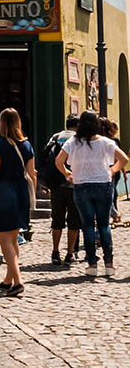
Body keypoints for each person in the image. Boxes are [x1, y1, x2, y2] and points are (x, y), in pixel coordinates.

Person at [55, 111, 129, 277]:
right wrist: (112, 171)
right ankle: (109, 263)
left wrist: (67, 173)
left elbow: (58, 161)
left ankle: (92, 264)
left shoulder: (72, 142)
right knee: (104, 225)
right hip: (103, 185)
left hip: (82, 186)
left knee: (88, 225)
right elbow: (123, 158)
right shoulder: (105, 142)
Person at [0, 108, 36, 297]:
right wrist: (32, 196)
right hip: (21, 192)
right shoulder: (27, 145)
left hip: (3, 192)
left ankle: (18, 281)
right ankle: (8, 280)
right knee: (13, 238)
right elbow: (32, 174)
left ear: (2, 124)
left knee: (4, 239)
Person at [44, 114, 80, 266]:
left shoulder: (56, 137)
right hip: (74, 184)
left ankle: (55, 251)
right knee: (74, 221)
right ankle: (70, 253)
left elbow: (47, 157)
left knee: (57, 219)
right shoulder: (78, 139)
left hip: (57, 185)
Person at [101, 118, 123, 223]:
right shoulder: (110, 142)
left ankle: (114, 213)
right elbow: (122, 159)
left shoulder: (113, 141)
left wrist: (114, 170)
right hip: (107, 173)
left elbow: (119, 158)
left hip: (107, 173)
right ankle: (114, 213)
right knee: (108, 195)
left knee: (111, 194)